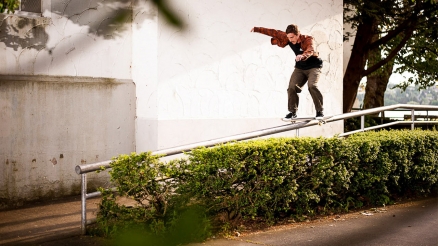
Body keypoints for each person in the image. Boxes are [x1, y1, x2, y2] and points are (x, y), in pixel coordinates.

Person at [251, 24, 324, 121]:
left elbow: (310, 50)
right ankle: (292, 112)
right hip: (300, 68)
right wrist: (256, 29)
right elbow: (272, 32)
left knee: (312, 86)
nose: (290, 40)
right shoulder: (287, 37)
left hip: (314, 67)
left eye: (292, 37)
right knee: (292, 88)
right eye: (288, 37)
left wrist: (302, 56)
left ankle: (320, 111)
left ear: (298, 34)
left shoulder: (308, 39)